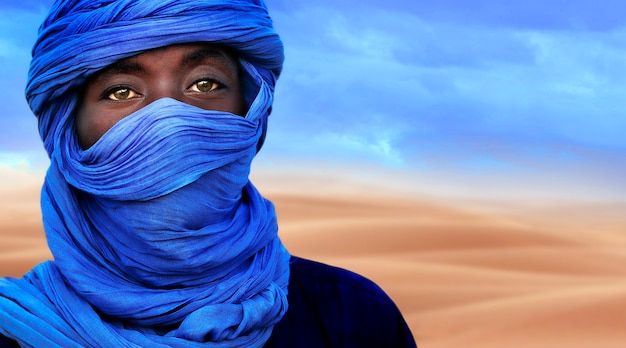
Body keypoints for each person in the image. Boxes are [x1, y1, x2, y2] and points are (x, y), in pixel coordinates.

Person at [0, 0, 417, 346]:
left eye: (204, 85)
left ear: (251, 113)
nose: (169, 120)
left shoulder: (351, 319)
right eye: (121, 92)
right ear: (68, 135)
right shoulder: (13, 330)